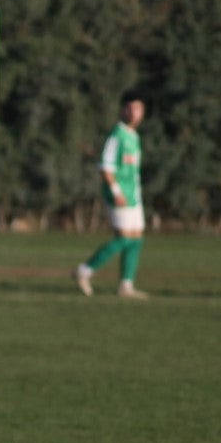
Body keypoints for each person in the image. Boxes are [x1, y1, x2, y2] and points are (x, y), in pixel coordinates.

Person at [75, 90, 149, 299]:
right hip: (118, 194)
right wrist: (116, 191)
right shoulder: (116, 135)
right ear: (124, 109)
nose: (136, 113)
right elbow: (105, 167)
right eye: (132, 108)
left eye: (139, 109)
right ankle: (84, 271)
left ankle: (126, 285)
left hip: (133, 195)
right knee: (124, 237)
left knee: (136, 239)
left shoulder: (133, 136)